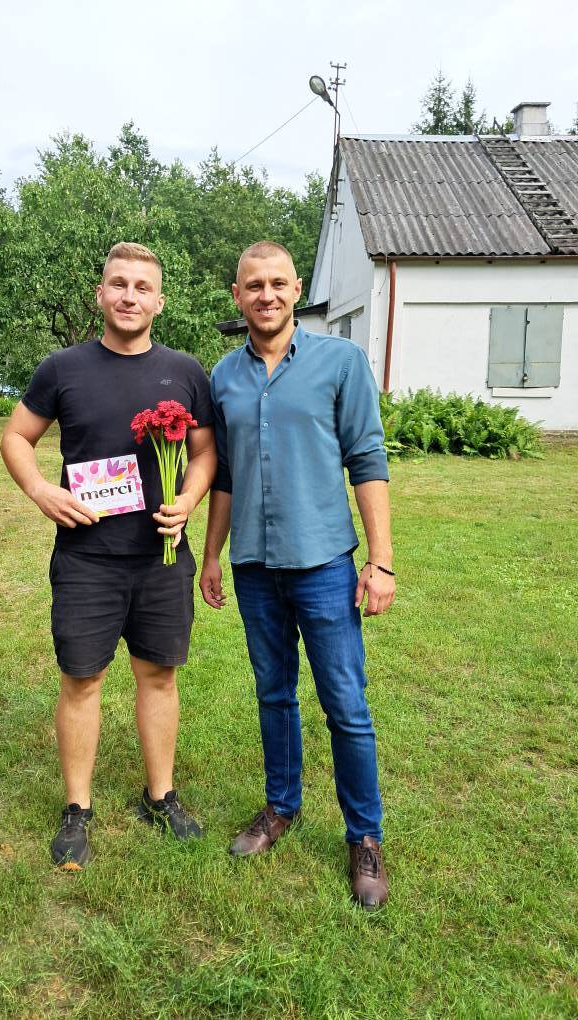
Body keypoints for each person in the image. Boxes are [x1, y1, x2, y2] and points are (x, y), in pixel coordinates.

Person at [1, 242, 216, 870]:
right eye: (118, 284)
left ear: (159, 301)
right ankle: (77, 808)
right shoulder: (62, 368)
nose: (129, 296)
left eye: (142, 287)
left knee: (159, 675)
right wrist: (40, 490)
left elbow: (205, 452)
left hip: (161, 556)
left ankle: (160, 796)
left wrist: (189, 500)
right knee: (82, 679)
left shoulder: (185, 372)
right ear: (100, 295)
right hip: (86, 559)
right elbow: (16, 436)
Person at [199, 241, 395, 910]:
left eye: (278, 283)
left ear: (297, 287)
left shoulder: (340, 362)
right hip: (255, 567)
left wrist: (380, 560)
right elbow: (225, 475)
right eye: (253, 285)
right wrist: (211, 554)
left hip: (324, 566)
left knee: (346, 705)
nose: (267, 295)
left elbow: (367, 459)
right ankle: (281, 807)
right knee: (273, 694)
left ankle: (364, 836)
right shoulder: (223, 376)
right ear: (237, 294)